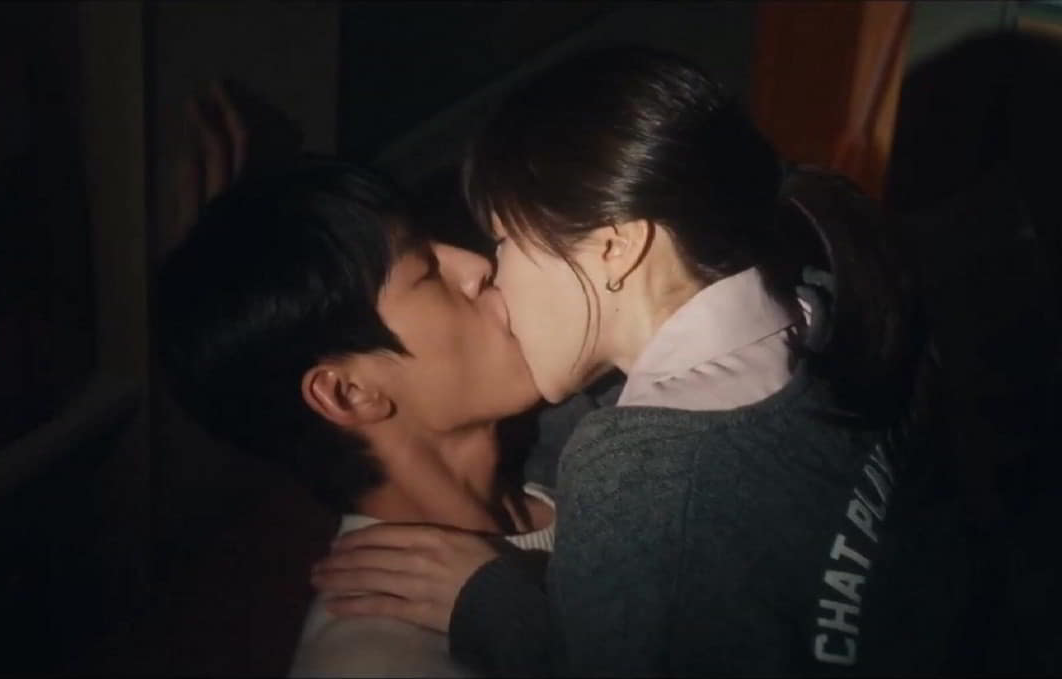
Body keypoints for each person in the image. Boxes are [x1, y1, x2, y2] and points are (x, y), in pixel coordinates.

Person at [311, 45, 970, 675]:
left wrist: (496, 607)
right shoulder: (828, 300)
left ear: (615, 247)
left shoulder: (635, 470)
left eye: (505, 240)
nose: (490, 271)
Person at [155, 157, 557, 677]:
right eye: (426, 271)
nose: (477, 267)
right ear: (348, 393)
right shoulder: (377, 661)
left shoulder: (579, 458)